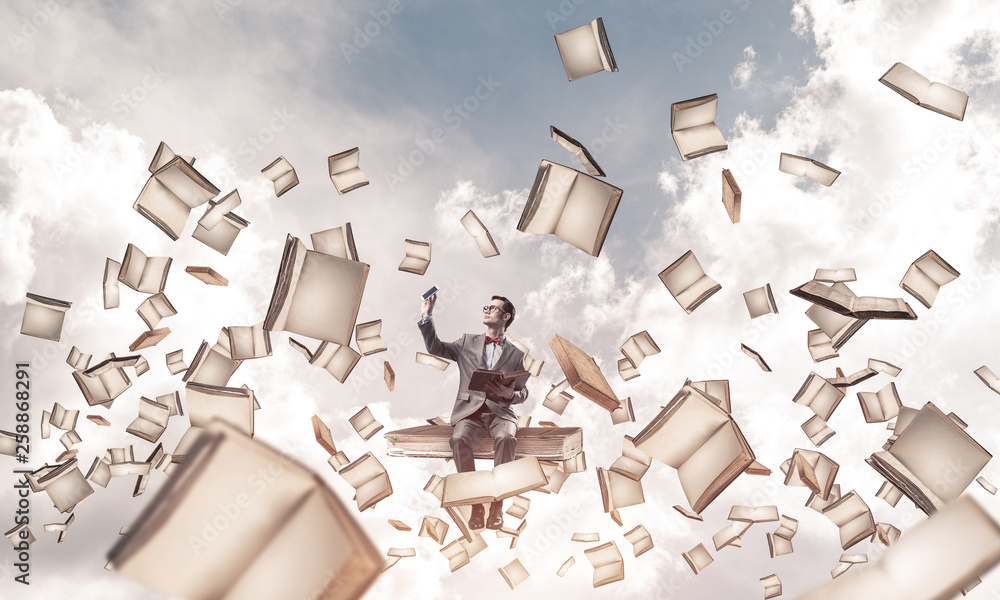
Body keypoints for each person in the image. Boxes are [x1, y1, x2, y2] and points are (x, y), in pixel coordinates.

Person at [417, 293, 528, 530]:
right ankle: (477, 505)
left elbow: (523, 392)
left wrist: (511, 395)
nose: (486, 310)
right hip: (471, 413)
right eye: (485, 306)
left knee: (507, 438)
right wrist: (427, 316)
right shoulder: (467, 342)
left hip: (501, 413)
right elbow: (435, 347)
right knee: (458, 439)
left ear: (505, 316)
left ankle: (497, 504)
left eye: (492, 307)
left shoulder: (517, 355)